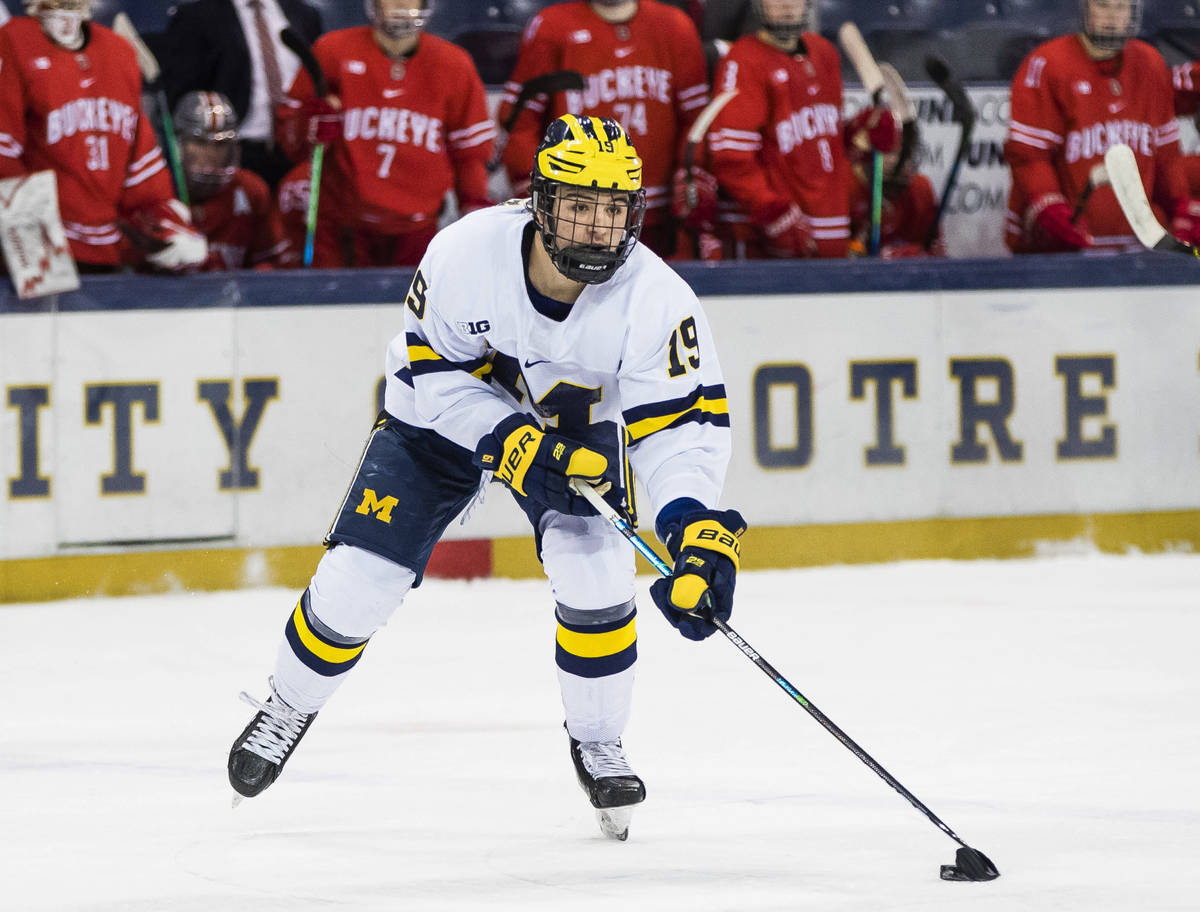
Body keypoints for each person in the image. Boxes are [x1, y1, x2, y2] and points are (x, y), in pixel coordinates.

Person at [226, 114, 746, 840]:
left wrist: (692, 528)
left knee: (595, 572)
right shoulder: (465, 254)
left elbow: (679, 428)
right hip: (441, 423)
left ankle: (598, 740)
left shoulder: (657, 300)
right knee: (360, 577)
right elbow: (432, 373)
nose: (597, 227)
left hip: (571, 434)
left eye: (613, 208)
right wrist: (507, 439)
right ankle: (286, 705)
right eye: (579, 205)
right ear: (540, 202)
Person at [275, 0, 495, 268]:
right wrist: (309, 124)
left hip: (417, 231)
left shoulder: (454, 65)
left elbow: (469, 156)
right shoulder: (332, 51)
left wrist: (474, 216)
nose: (401, 4)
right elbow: (290, 141)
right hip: (342, 228)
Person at [0, 1, 207, 273]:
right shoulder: (14, 41)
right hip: (43, 256)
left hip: (110, 255)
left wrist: (163, 224)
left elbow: (139, 164)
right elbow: (4, 152)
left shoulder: (118, 51)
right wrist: (40, 258)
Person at [497, 0, 709, 258]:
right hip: (577, 214)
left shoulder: (674, 25)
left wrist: (690, 173)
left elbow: (697, 118)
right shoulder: (552, 27)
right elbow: (519, 120)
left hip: (658, 214)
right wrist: (537, 185)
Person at [1005, 0, 1200, 254]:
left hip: (1137, 249)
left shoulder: (1150, 63)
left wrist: (1180, 208)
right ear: (1084, 8)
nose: (1112, 18)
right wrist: (1049, 207)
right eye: (1103, 6)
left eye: (1121, 8)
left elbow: (1166, 156)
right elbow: (1029, 157)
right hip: (1066, 253)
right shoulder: (1046, 65)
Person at [705, 0, 883, 259]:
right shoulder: (743, 61)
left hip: (831, 232)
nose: (787, 5)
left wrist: (863, 132)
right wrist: (773, 213)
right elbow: (731, 160)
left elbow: (826, 143)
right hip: (770, 244)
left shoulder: (825, 53)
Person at [162, 0, 324, 189]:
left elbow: (319, 83)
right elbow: (183, 97)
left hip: (296, 156)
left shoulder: (305, 14)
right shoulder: (196, 16)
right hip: (234, 155)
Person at [174, 91, 297, 270]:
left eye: (220, 145)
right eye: (200, 143)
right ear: (179, 145)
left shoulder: (251, 190)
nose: (211, 154)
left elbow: (274, 263)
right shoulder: (159, 192)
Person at [844, 107, 944, 258]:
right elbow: (833, 254)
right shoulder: (846, 188)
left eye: (904, 152)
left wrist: (913, 254)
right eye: (889, 151)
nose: (897, 160)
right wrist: (856, 250)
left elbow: (934, 253)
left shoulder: (921, 189)